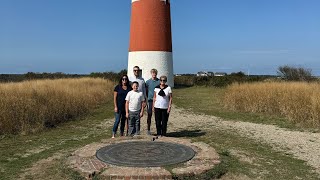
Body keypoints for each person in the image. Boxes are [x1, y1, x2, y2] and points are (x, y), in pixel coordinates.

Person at [145, 69, 160, 135]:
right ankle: (148, 129)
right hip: (150, 100)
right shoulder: (148, 82)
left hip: (158, 100)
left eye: (155, 73)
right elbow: (146, 90)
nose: (154, 74)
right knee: (149, 114)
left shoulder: (159, 81)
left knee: (157, 115)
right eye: (153, 73)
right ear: (151, 73)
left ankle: (158, 130)